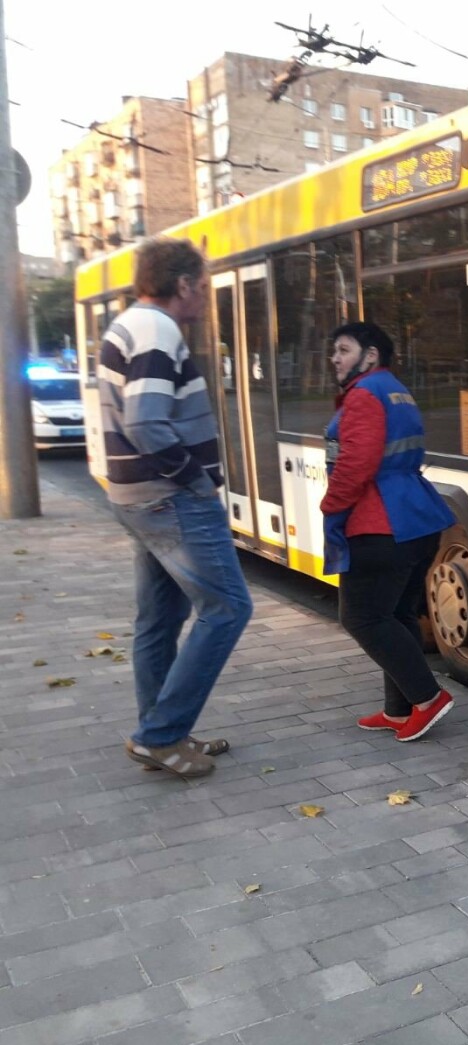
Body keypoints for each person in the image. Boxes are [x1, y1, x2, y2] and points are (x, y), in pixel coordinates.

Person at [100, 237, 253, 778]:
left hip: (136, 497)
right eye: (205, 287)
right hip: (170, 499)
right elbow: (144, 421)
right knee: (230, 608)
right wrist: (195, 481)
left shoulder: (129, 324)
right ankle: (159, 734)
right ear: (183, 284)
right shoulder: (158, 329)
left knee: (160, 619)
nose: (207, 298)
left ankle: (162, 734)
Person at [321, 322, 457, 742]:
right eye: (334, 351)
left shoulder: (363, 396)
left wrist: (330, 506)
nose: (335, 358)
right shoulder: (395, 389)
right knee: (397, 614)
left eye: (343, 349)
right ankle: (399, 710)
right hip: (417, 517)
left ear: (371, 355)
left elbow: (355, 465)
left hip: (380, 523)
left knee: (361, 616)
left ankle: (427, 698)